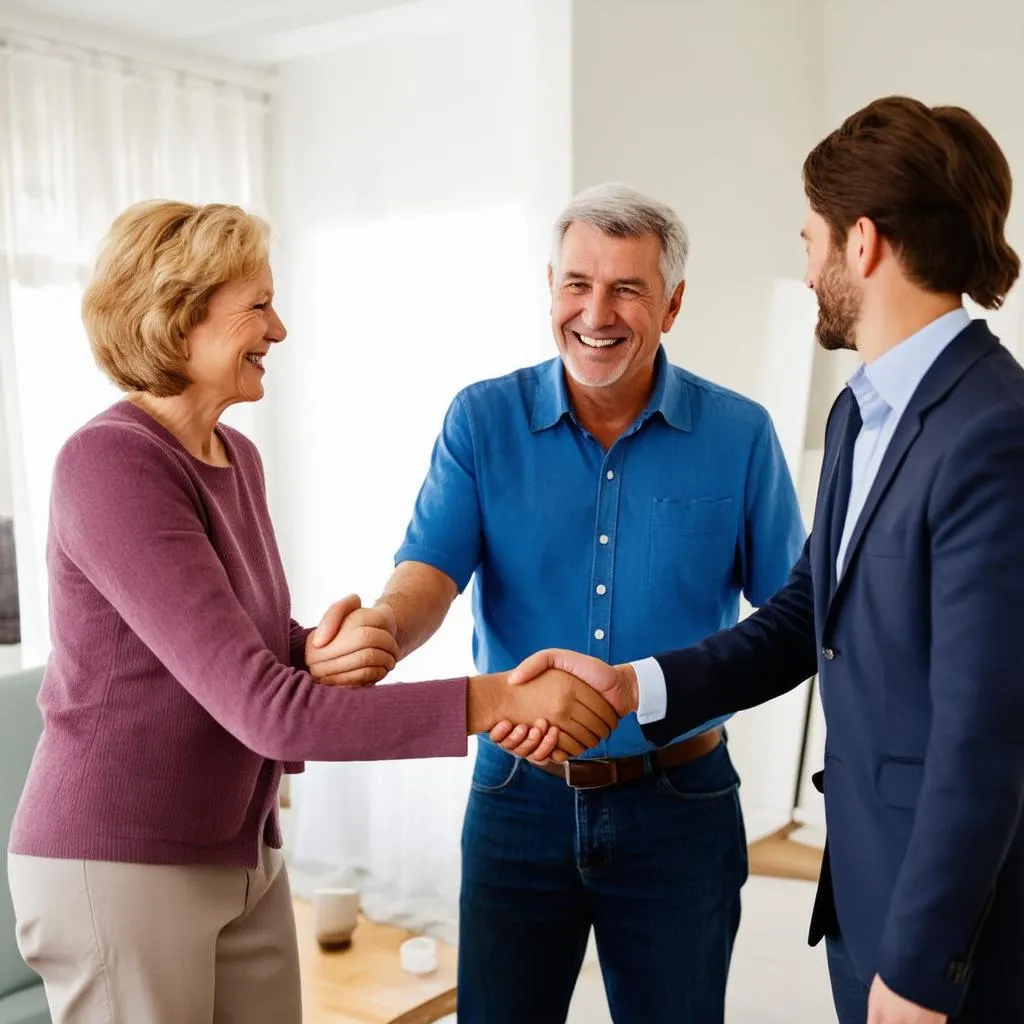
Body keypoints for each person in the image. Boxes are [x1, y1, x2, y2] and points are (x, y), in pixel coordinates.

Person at [5, 199, 618, 1024]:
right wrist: (499, 698)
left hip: (239, 848)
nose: (280, 329)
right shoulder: (110, 463)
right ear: (179, 317)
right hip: (121, 861)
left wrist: (314, 653)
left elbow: (233, 651)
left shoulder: (234, 456)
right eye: (257, 305)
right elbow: (266, 712)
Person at [508, 97, 1024, 1024]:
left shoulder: (994, 431)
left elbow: (986, 735)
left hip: (947, 943)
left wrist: (918, 971)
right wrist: (632, 687)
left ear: (861, 244)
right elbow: (801, 618)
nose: (808, 261)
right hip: (866, 900)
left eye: (810, 236)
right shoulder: (861, 412)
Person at [308, 184, 805, 1022]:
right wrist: (384, 629)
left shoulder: (741, 434)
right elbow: (429, 569)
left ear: (673, 304)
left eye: (627, 288)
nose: (596, 312)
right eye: (577, 284)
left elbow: (793, 613)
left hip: (680, 804)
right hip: (517, 800)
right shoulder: (481, 420)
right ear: (549, 288)